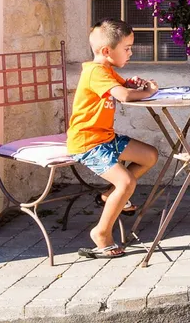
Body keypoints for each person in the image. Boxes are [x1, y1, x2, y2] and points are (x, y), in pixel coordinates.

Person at [67, 19, 160, 259]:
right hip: (88, 143)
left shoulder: (107, 71)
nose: (131, 53)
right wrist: (147, 92)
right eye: (127, 48)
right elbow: (124, 96)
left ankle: (110, 195)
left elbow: (123, 87)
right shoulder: (95, 72)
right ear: (106, 51)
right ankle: (101, 234)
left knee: (149, 156)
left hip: (105, 138)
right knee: (126, 182)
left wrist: (132, 83)